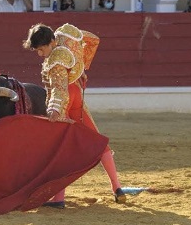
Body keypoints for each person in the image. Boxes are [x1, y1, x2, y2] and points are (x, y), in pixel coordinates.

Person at [22, 23, 127, 208]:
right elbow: (92, 39)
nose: (40, 54)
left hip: (65, 99)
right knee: (97, 139)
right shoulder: (66, 35)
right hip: (77, 93)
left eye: (41, 49)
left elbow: (59, 89)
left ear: (51, 42)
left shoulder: (56, 59)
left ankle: (58, 199)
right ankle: (117, 187)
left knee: (59, 149)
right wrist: (81, 68)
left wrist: (54, 110)